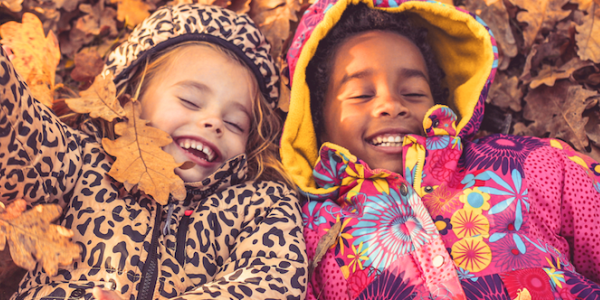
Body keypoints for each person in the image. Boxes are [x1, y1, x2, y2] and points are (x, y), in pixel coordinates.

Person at [280, 0, 600, 298]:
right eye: (362, 94)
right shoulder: (307, 233)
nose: (391, 105)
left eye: (413, 92)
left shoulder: (524, 164)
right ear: (317, 118)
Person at [0, 4, 307, 300]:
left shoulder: (258, 206)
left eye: (235, 123)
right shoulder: (83, 161)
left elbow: (267, 283)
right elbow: (18, 136)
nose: (214, 123)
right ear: (132, 98)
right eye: (190, 100)